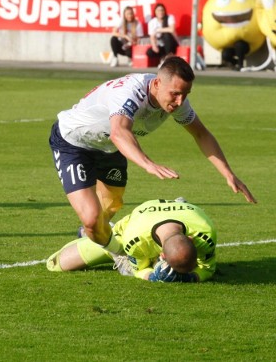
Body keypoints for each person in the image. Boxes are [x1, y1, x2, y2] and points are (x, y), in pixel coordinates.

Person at [48, 56, 256, 258]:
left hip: (110, 149)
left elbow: (201, 134)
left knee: (107, 211)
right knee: (92, 219)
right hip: (73, 143)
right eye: (175, 94)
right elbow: (119, 132)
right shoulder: (131, 93)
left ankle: (90, 235)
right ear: (157, 83)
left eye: (185, 94)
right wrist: (148, 164)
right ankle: (122, 256)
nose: (179, 101)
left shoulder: (177, 100)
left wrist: (228, 173)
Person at [47, 198, 217, 283]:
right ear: (163, 255)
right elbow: (138, 270)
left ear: (191, 239)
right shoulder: (134, 240)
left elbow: (208, 268)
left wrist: (192, 277)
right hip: (124, 236)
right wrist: (151, 276)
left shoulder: (205, 232)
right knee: (54, 265)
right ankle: (101, 232)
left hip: (173, 216)